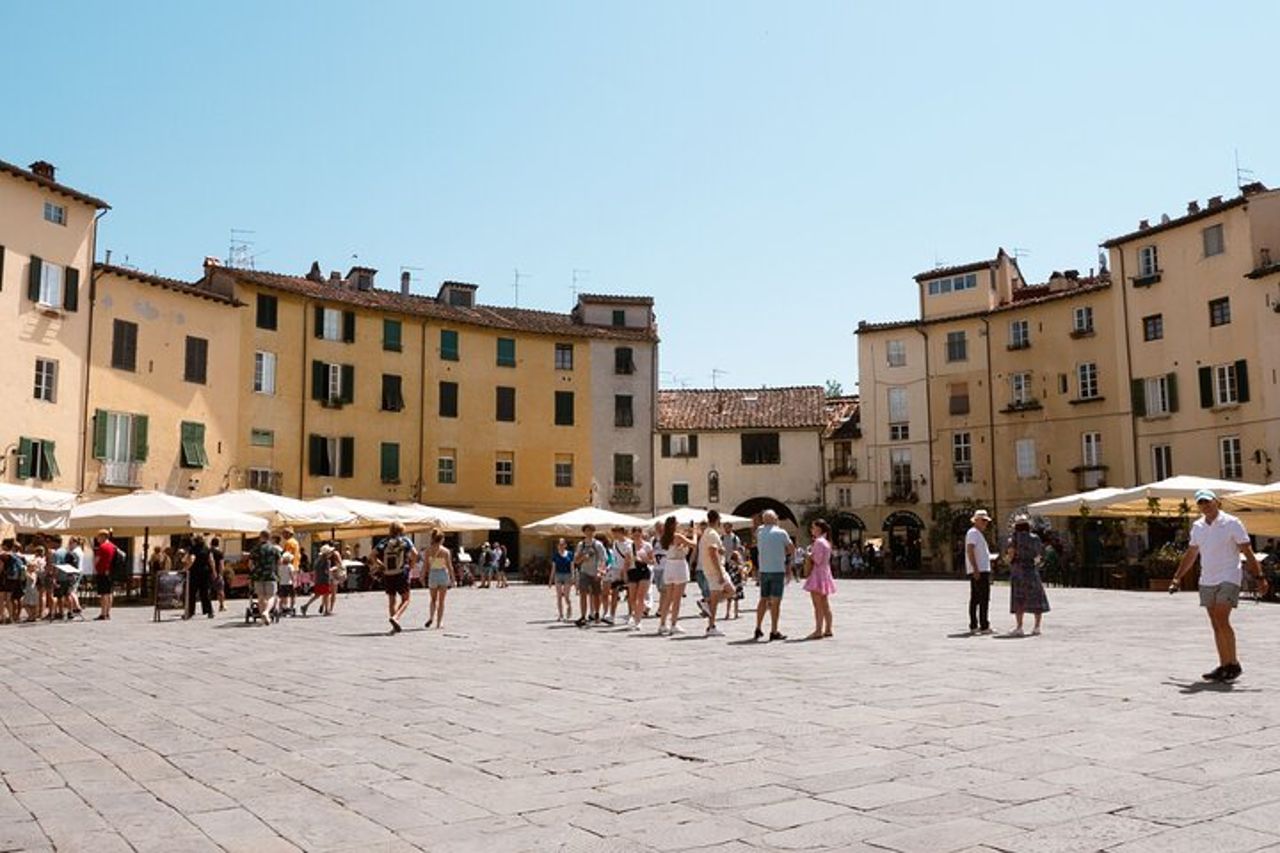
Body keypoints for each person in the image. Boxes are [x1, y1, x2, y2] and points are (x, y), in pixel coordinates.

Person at [1170, 489, 1268, 682]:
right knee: (1216, 623)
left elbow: (1247, 551)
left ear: (1217, 502)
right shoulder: (1198, 526)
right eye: (1201, 503)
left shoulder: (1232, 523)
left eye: (1208, 502)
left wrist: (1260, 577)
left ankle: (1234, 664)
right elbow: (1191, 554)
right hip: (1207, 578)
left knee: (1221, 617)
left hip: (1229, 576)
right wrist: (1177, 577)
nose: (1205, 506)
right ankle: (1224, 665)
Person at [1004, 513, 1049, 636]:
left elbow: (1011, 554)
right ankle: (1037, 627)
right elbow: (1039, 554)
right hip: (1031, 569)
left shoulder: (1012, 539)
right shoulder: (1035, 538)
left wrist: (1008, 561)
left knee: (1019, 599)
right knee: (1036, 597)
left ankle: (1019, 627)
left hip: (1018, 570)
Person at [753, 510, 795, 641]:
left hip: (764, 570)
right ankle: (774, 630)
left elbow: (759, 529)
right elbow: (791, 548)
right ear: (776, 518)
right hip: (777, 569)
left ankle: (758, 628)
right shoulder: (781, 532)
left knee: (763, 599)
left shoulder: (759, 532)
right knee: (776, 602)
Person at [658, 517, 697, 636]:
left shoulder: (664, 538)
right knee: (677, 598)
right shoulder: (677, 536)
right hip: (679, 565)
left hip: (669, 565)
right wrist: (694, 533)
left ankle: (662, 624)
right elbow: (693, 545)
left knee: (668, 597)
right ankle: (674, 624)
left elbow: (677, 546)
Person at [378, 521, 417, 634]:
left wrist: (380, 564)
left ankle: (394, 626)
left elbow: (372, 556)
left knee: (392, 600)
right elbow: (415, 553)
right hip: (401, 572)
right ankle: (396, 617)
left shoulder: (384, 542)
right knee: (406, 599)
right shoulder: (405, 540)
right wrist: (411, 565)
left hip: (388, 573)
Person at [698, 510, 732, 637]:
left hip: (712, 569)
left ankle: (708, 605)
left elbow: (713, 551)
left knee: (730, 591)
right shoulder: (712, 534)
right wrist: (720, 573)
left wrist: (720, 551)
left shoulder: (707, 533)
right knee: (722, 594)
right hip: (715, 571)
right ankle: (711, 626)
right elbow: (712, 553)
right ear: (717, 519)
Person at [804, 519, 836, 639]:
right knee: (825, 604)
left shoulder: (818, 542)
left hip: (817, 574)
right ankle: (828, 629)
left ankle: (818, 630)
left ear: (818, 529)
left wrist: (808, 555)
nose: (811, 530)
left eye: (813, 527)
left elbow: (817, 560)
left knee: (817, 605)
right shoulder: (827, 542)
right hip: (825, 573)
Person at [965, 510, 994, 635]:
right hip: (979, 570)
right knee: (982, 598)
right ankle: (983, 625)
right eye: (983, 520)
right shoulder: (973, 533)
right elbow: (970, 550)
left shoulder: (977, 534)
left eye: (986, 521)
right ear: (976, 520)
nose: (985, 523)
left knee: (977, 598)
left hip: (982, 569)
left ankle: (975, 625)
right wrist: (975, 568)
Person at [573, 525, 607, 627]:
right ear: (584, 532)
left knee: (596, 594)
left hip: (595, 572)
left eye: (591, 531)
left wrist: (600, 571)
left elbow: (603, 559)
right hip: (584, 572)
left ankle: (596, 613)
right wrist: (583, 557)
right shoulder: (581, 544)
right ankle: (583, 616)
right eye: (587, 531)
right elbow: (576, 560)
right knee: (583, 594)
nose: (589, 533)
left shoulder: (598, 544)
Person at [248, 529, 281, 626]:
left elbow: (250, 564)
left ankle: (263, 619)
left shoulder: (255, 549)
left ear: (260, 537)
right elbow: (279, 562)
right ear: (269, 537)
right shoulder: (274, 549)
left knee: (260, 597)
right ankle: (266, 612)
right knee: (271, 596)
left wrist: (254, 571)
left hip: (258, 576)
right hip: (271, 575)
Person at [423, 528, 455, 630]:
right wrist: (453, 579)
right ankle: (439, 623)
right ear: (441, 539)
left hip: (433, 574)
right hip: (442, 574)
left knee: (433, 599)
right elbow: (450, 566)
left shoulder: (428, 550)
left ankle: (431, 617)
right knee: (441, 601)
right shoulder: (445, 551)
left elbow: (425, 566)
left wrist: (422, 576)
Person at [626, 527, 653, 631]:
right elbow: (627, 562)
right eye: (635, 534)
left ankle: (638, 620)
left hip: (644, 571)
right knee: (632, 597)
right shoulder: (629, 546)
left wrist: (644, 559)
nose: (637, 535)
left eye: (639, 533)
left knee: (640, 596)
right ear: (632, 535)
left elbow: (652, 560)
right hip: (632, 571)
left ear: (642, 534)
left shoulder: (647, 545)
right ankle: (634, 614)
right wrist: (624, 573)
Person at [301, 544, 338, 617]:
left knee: (318, 595)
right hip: (324, 580)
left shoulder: (318, 560)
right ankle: (326, 610)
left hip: (318, 579)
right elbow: (327, 571)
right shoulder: (327, 561)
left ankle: (306, 606)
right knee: (326, 594)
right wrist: (333, 569)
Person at [185, 533, 216, 619]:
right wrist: (214, 572)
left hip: (194, 573)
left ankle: (190, 612)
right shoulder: (207, 549)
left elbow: (191, 559)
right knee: (205, 593)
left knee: (192, 593)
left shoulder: (193, 549)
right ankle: (209, 611)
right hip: (205, 573)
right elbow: (211, 560)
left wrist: (185, 569)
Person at [92, 530, 117, 621]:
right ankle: (108, 612)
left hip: (102, 572)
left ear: (103, 536)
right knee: (110, 593)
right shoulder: (113, 546)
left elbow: (97, 560)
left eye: (98, 537)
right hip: (110, 572)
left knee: (104, 594)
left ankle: (103, 613)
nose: (97, 539)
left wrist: (94, 568)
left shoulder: (102, 547)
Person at [550, 538, 575, 621]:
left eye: (562, 544)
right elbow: (553, 568)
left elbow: (572, 566)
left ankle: (569, 607)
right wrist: (551, 579)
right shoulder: (555, 555)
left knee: (566, 596)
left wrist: (573, 576)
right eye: (559, 545)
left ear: (565, 545)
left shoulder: (570, 554)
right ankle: (561, 614)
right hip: (558, 575)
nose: (561, 546)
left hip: (567, 575)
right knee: (559, 596)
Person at [210, 536, 227, 612]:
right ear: (218, 544)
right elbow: (221, 564)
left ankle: (209, 607)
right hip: (217, 573)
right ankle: (222, 605)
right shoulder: (219, 553)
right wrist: (220, 574)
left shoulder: (209, 551)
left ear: (211, 543)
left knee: (208, 591)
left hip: (208, 573)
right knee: (220, 590)